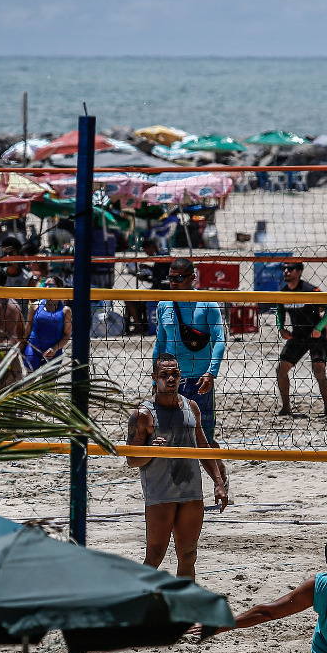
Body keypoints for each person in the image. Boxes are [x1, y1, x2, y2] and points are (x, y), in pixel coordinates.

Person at [125, 354, 229, 580]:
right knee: (154, 555)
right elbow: (132, 461)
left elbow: (203, 447)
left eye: (175, 374)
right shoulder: (143, 414)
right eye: (164, 375)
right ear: (155, 378)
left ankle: (184, 607)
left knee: (189, 555)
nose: (170, 379)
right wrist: (150, 450)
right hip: (161, 494)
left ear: (181, 376)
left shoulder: (191, 407)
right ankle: (134, 602)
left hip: (191, 493)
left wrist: (219, 484)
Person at [154, 258, 226, 444]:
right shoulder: (164, 304)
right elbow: (160, 343)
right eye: (170, 278)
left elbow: (219, 340)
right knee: (170, 435)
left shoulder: (208, 303)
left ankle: (219, 472)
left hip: (200, 379)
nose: (173, 283)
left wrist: (211, 373)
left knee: (204, 438)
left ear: (193, 277)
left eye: (178, 278)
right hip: (171, 379)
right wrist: (156, 376)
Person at [276, 262, 327, 416]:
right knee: (281, 369)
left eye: (290, 269)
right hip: (298, 336)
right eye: (284, 269)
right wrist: (281, 327)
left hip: (316, 336)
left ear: (299, 271)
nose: (286, 271)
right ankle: (286, 408)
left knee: (319, 371)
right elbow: (279, 309)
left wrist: (319, 328)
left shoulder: (311, 290)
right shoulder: (283, 293)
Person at [22, 277, 72, 372]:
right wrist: (21, 347)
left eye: (51, 285)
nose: (47, 287)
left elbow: (67, 334)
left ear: (60, 288)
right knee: (27, 382)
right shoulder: (35, 306)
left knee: (49, 384)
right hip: (33, 348)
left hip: (53, 351)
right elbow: (27, 329)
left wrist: (55, 348)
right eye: (45, 285)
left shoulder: (66, 310)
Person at [128, 237, 170, 334]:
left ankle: (139, 327)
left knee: (130, 302)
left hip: (159, 292)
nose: (146, 253)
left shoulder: (161, 258)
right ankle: (141, 326)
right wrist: (148, 268)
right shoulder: (162, 255)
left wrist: (145, 278)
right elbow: (159, 274)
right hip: (160, 290)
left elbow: (159, 279)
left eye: (146, 250)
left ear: (151, 247)